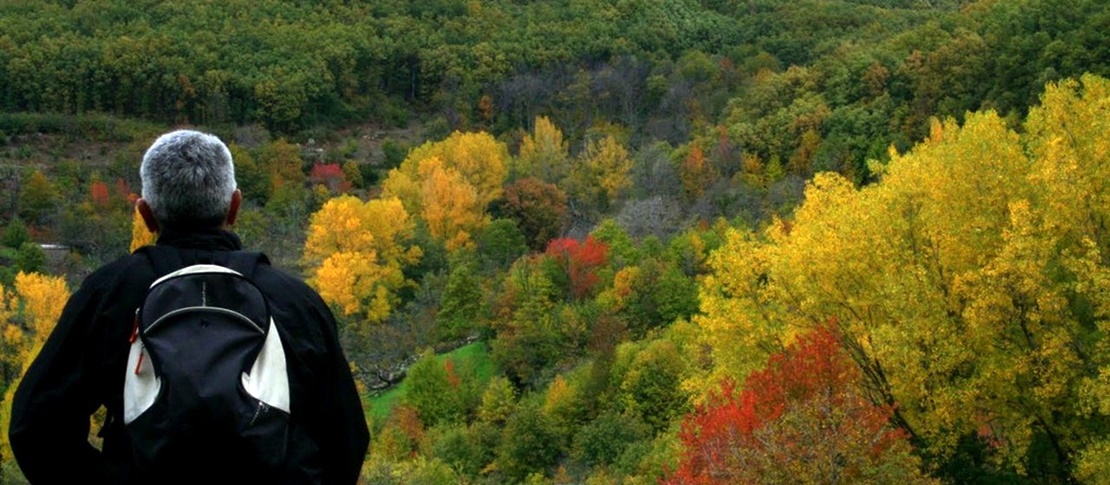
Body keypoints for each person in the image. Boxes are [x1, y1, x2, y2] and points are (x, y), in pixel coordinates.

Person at [9, 129, 369, 484]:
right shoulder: (295, 300)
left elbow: (35, 426)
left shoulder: (109, 294)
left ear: (146, 215)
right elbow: (347, 439)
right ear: (234, 206)